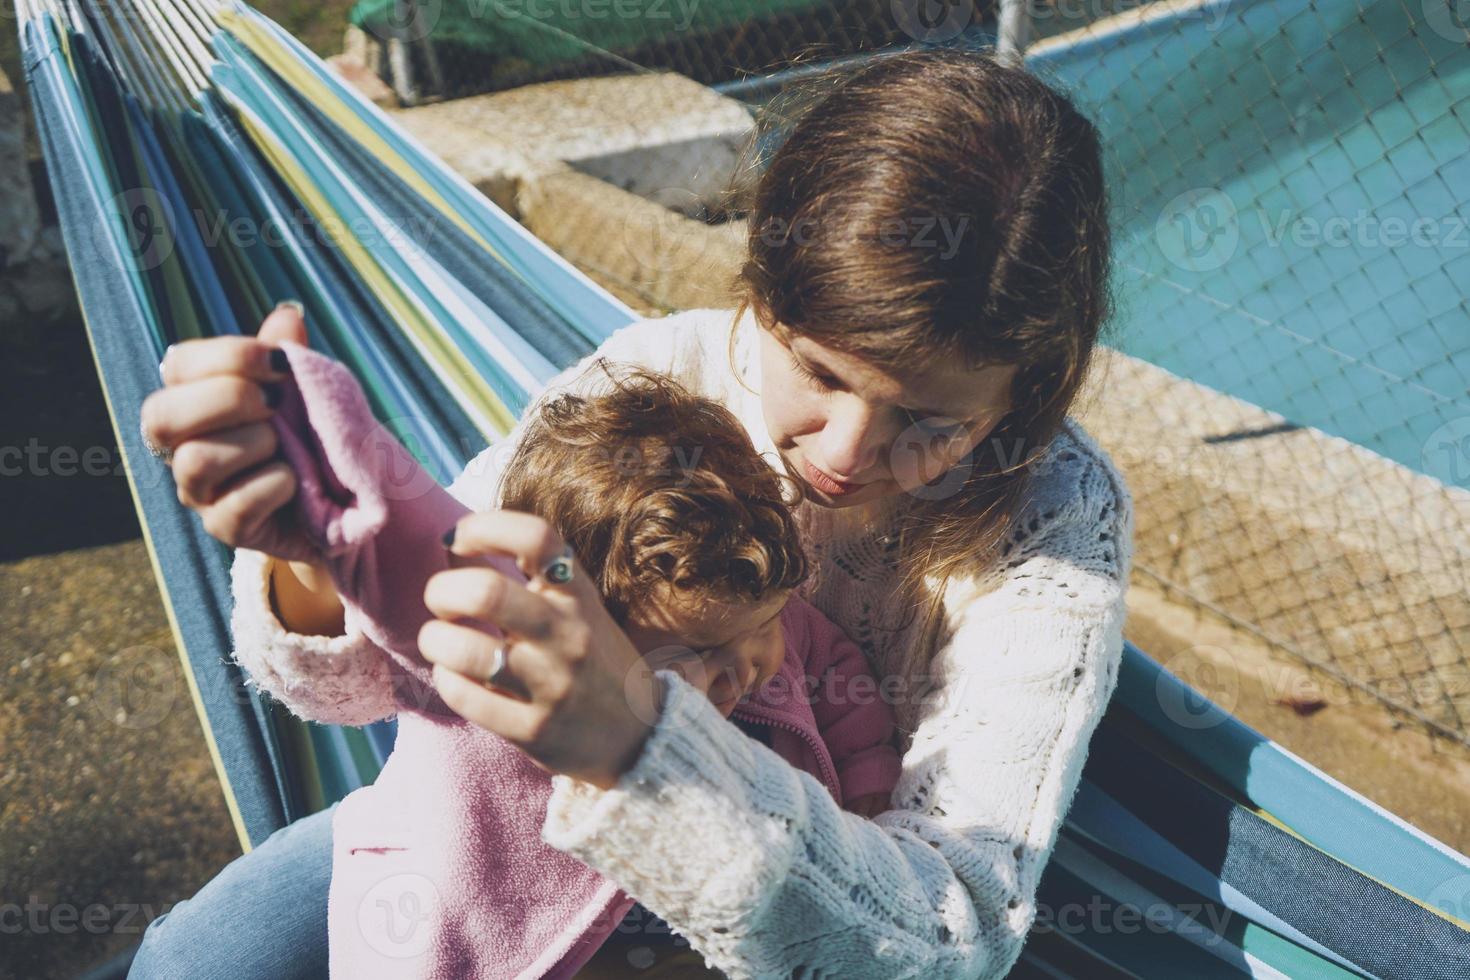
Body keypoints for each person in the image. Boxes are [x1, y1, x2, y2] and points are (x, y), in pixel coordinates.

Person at [132, 47, 1131, 979]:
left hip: (773, 912)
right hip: (485, 836)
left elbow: (957, 929)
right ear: (760, 289)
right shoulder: (668, 371)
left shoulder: (1054, 529)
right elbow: (383, 663)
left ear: (1022, 396)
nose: (843, 451)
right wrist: (321, 557)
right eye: (817, 371)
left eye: (931, 419)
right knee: (188, 957)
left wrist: (639, 748)